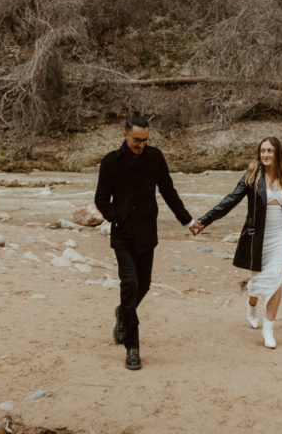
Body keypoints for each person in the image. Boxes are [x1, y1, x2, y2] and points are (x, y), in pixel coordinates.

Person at [94, 112, 198, 370]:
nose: (141, 145)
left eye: (145, 140)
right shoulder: (111, 162)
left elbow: (168, 191)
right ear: (125, 135)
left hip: (147, 234)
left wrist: (187, 221)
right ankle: (133, 347)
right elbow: (100, 200)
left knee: (144, 286)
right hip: (122, 235)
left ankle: (122, 313)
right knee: (129, 283)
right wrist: (115, 218)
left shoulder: (155, 158)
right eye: (136, 140)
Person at [194, 135, 282, 349]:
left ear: (277, 153)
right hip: (258, 239)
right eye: (263, 151)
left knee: (276, 280)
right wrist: (205, 220)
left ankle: (268, 330)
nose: (266, 154)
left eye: (270, 151)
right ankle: (252, 303)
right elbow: (230, 200)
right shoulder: (252, 176)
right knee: (258, 282)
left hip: (280, 237)